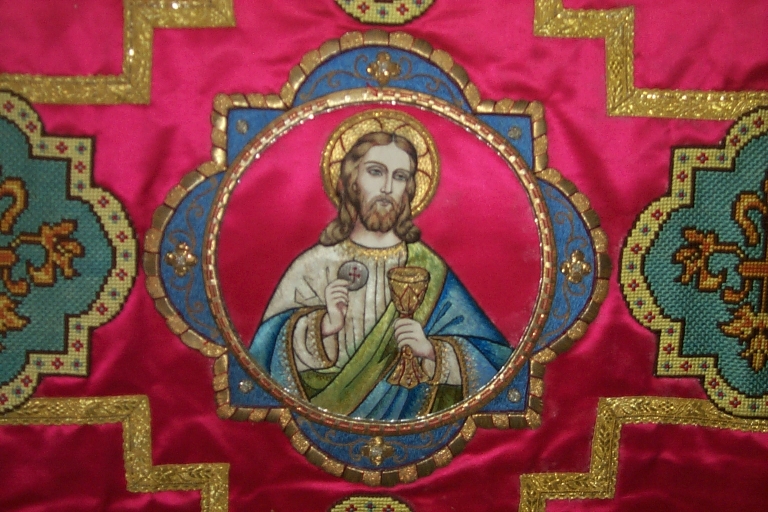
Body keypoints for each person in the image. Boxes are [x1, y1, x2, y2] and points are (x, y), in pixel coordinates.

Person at [249, 130, 512, 420]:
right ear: (352, 180)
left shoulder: (428, 268)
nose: (387, 187)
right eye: (376, 172)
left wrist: (431, 351)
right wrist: (322, 327)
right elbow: (263, 359)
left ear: (409, 189)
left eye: (400, 177)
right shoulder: (313, 266)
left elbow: (496, 367)